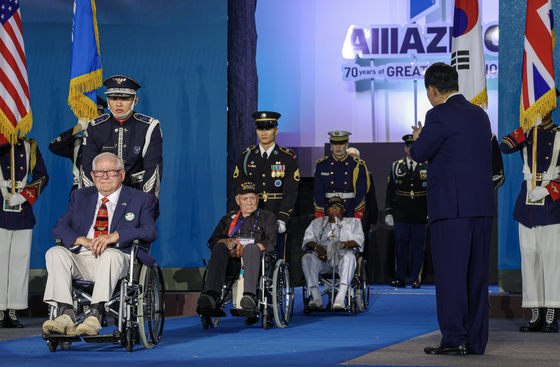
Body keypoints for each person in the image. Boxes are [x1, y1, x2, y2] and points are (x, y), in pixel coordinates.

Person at [410, 62, 496, 355]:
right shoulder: (480, 114)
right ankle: (475, 342)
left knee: (451, 275)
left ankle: (453, 338)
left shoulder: (438, 115)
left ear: (432, 90)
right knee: (477, 276)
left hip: (451, 208)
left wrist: (418, 137)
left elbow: (419, 153)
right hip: (482, 208)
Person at [42, 152, 158, 337]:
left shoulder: (140, 199)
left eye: (110, 171)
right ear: (92, 176)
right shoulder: (80, 196)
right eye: (99, 172)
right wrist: (82, 240)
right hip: (83, 258)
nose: (104, 176)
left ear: (121, 174)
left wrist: (116, 236)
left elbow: (150, 231)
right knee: (55, 252)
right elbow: (59, 227)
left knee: (110, 255)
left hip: (118, 259)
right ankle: (66, 314)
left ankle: (95, 314)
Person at [500, 110, 560, 333]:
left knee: (552, 261)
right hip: (527, 204)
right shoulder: (526, 134)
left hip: (552, 204)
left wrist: (548, 190)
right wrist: (525, 128)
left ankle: (551, 315)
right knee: (530, 260)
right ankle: (536, 315)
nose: (541, 111)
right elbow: (504, 146)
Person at [198, 182, 277, 324]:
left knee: (251, 249)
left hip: (256, 263)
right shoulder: (229, 219)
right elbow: (212, 240)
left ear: (258, 199)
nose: (249, 202)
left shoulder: (268, 217)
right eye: (245, 199)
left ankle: (249, 297)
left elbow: (271, 242)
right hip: (231, 262)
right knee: (219, 246)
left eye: (252, 198)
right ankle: (210, 295)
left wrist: (248, 248)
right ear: (237, 201)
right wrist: (226, 241)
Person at [81, 75, 163, 199]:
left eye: (125, 99)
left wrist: (147, 203)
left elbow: (152, 169)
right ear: (108, 100)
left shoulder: (149, 126)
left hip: (137, 194)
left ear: (135, 101)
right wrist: (92, 201)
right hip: (102, 195)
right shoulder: (95, 126)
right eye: (113, 98)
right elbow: (87, 167)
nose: (119, 104)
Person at [232, 111, 299, 258]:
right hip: (251, 212)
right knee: (250, 253)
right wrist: (238, 214)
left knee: (278, 254)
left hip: (276, 211)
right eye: (260, 128)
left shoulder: (287, 157)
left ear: (276, 130)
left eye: (268, 128)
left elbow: (291, 191)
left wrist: (283, 217)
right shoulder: (247, 156)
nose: (264, 133)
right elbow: (237, 187)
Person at [0, 136, 49, 328]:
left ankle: (12, 310)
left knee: (20, 261)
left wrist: (25, 196)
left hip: (22, 208)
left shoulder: (29, 145)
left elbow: (42, 175)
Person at [301, 196, 364, 309]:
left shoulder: (353, 222)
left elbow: (358, 241)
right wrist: (317, 247)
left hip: (342, 260)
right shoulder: (317, 223)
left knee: (350, 257)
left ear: (343, 210)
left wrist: (342, 244)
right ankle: (317, 298)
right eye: (331, 207)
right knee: (307, 257)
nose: (334, 210)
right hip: (323, 260)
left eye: (337, 207)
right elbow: (307, 239)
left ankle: (340, 298)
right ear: (327, 210)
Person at [385, 134, 428, 289]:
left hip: (420, 211)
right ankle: (400, 277)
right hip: (401, 212)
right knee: (401, 246)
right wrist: (389, 211)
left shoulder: (427, 165)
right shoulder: (396, 166)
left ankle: (416, 278)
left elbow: (432, 191)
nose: (411, 149)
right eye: (408, 146)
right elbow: (391, 191)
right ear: (405, 148)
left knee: (418, 247)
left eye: (413, 145)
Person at [49, 96, 107, 192]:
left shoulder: (110, 139)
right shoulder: (78, 142)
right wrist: (78, 128)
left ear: (102, 116)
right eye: (86, 114)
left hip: (104, 189)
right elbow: (54, 147)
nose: (90, 117)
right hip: (79, 190)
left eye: (93, 114)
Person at [314, 130, 369, 220]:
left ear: (347, 144)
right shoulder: (322, 165)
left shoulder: (357, 165)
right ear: (331, 145)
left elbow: (361, 193)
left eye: (342, 143)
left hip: (350, 208)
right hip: (329, 209)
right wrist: (320, 214)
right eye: (335, 143)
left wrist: (358, 214)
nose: (338, 147)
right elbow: (318, 192)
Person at [347, 147, 378, 260]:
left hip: (362, 218)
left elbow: (371, 198)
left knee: (362, 249)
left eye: (355, 158)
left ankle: (362, 274)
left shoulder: (366, 175)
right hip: (344, 218)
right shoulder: (340, 176)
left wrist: (373, 220)